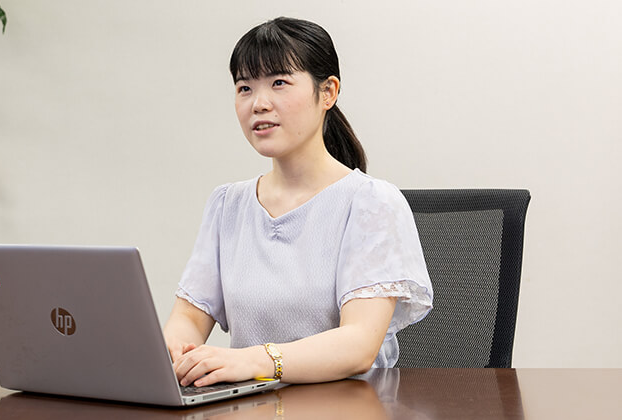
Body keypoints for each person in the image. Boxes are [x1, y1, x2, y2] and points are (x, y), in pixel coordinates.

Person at [162, 17, 434, 387]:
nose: (259, 104)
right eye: (244, 88)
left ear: (328, 92)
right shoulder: (228, 204)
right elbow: (189, 317)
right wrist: (173, 353)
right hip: (250, 405)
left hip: (347, 406)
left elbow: (359, 344)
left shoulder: (371, 203)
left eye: (279, 83)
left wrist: (254, 360)